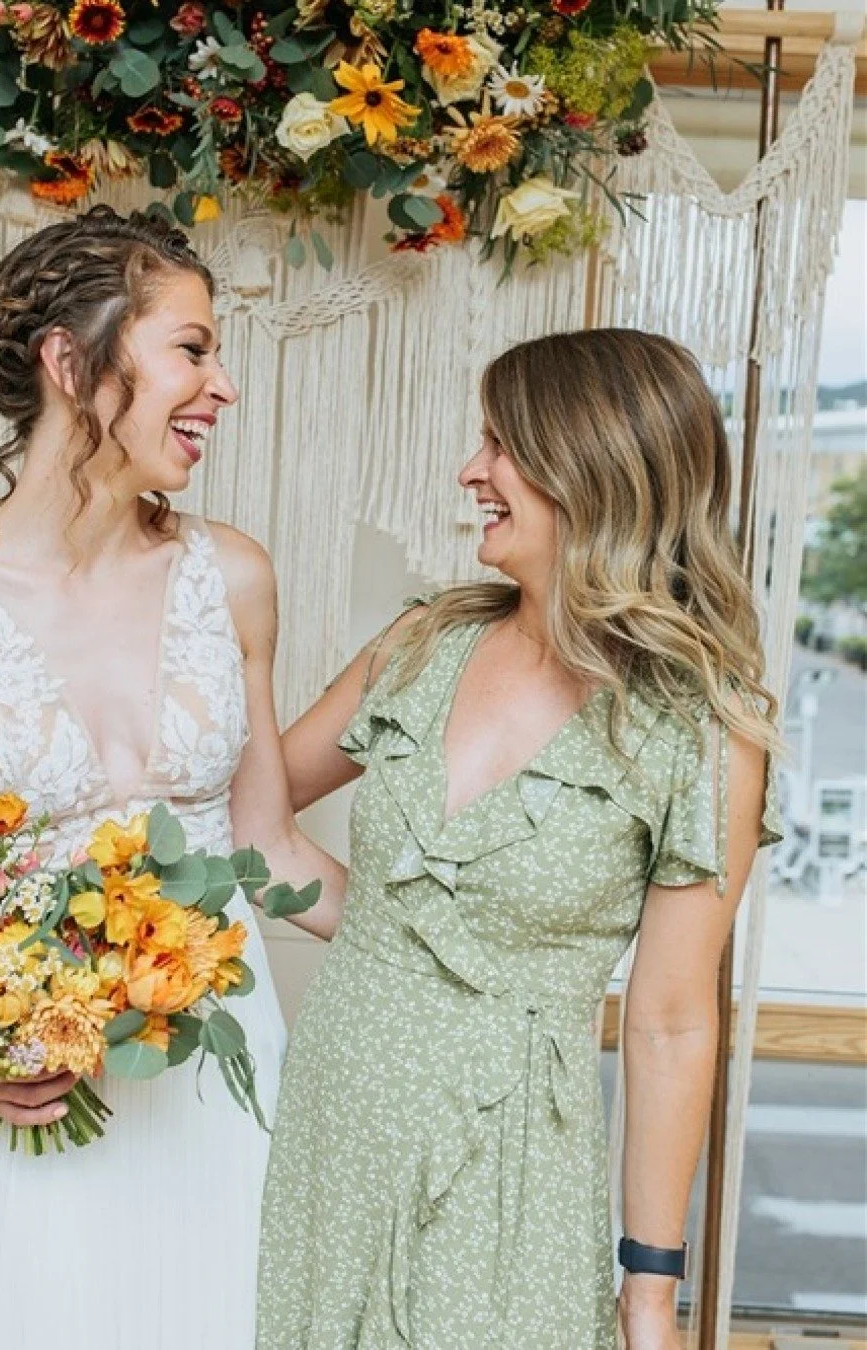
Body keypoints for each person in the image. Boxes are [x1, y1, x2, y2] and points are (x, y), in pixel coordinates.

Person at [0, 205, 343, 1350]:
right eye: (193, 347)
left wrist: (459, 964)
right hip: (24, 1106)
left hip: (219, 1073)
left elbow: (268, 850)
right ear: (70, 362)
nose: (224, 385)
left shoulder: (236, 575)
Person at [257, 328, 782, 1350]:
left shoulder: (703, 730)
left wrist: (648, 1298)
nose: (471, 471)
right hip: (329, 1128)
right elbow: (257, 830)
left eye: (502, 444)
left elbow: (672, 1023)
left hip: (513, 1170)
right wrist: (228, 629)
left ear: (593, 469)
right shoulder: (420, 644)